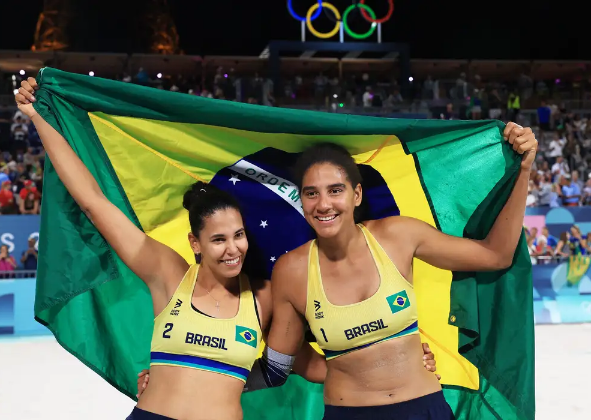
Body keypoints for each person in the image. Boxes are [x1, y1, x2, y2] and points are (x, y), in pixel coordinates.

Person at [15, 76, 439, 420]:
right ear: (194, 243)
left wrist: (394, 364)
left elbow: (287, 367)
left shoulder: (265, 296)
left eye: (239, 235)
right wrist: (38, 117)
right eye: (218, 239)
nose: (232, 249)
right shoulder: (168, 275)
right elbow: (93, 202)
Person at [242, 123, 537, 419]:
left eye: (335, 190)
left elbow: (495, 255)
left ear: (356, 194)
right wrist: (205, 381)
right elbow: (278, 367)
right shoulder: (292, 271)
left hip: (424, 408)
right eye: (311, 194)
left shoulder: (398, 236)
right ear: (301, 200)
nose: (324, 204)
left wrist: (523, 169)